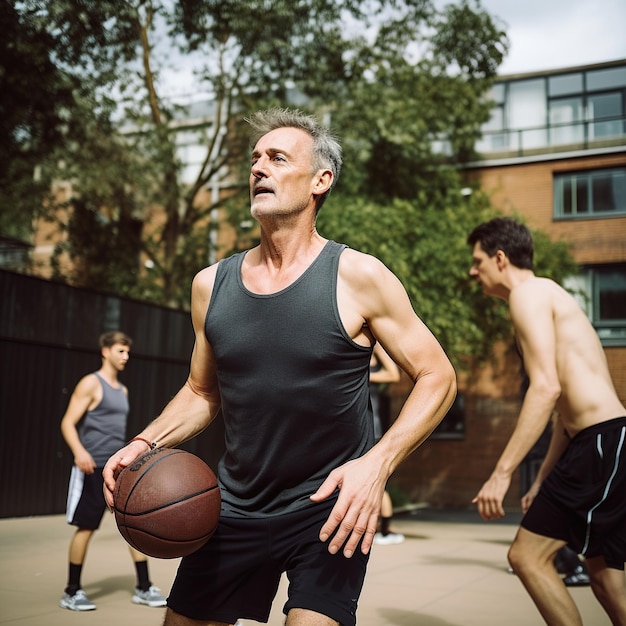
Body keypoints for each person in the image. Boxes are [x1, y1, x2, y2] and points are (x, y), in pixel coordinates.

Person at [103, 108, 457, 626]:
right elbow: (202, 392)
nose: (259, 168)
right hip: (233, 506)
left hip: (330, 508)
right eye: (255, 159)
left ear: (321, 180)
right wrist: (145, 442)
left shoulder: (358, 276)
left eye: (277, 157)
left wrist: (376, 465)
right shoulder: (211, 285)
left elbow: (438, 377)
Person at [467, 217, 626, 626]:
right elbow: (563, 408)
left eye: (477, 261)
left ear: (500, 258)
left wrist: (502, 474)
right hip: (601, 442)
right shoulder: (545, 294)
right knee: (606, 579)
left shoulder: (528, 295)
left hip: (601, 445)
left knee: (526, 555)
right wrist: (540, 482)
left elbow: (546, 389)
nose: (472, 271)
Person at [59, 331, 166, 611]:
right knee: (86, 527)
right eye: (120, 351)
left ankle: (143, 586)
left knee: (132, 523)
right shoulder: (91, 384)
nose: (125, 357)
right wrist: (80, 452)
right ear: (105, 351)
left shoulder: (123, 390)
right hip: (91, 466)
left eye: (127, 352)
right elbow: (68, 423)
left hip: (115, 469)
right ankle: (72, 591)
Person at [369, 343, 404, 545]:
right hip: (350, 423)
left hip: (372, 426)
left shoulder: (376, 347)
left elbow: (394, 374)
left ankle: (386, 531)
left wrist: (365, 376)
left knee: (379, 482)